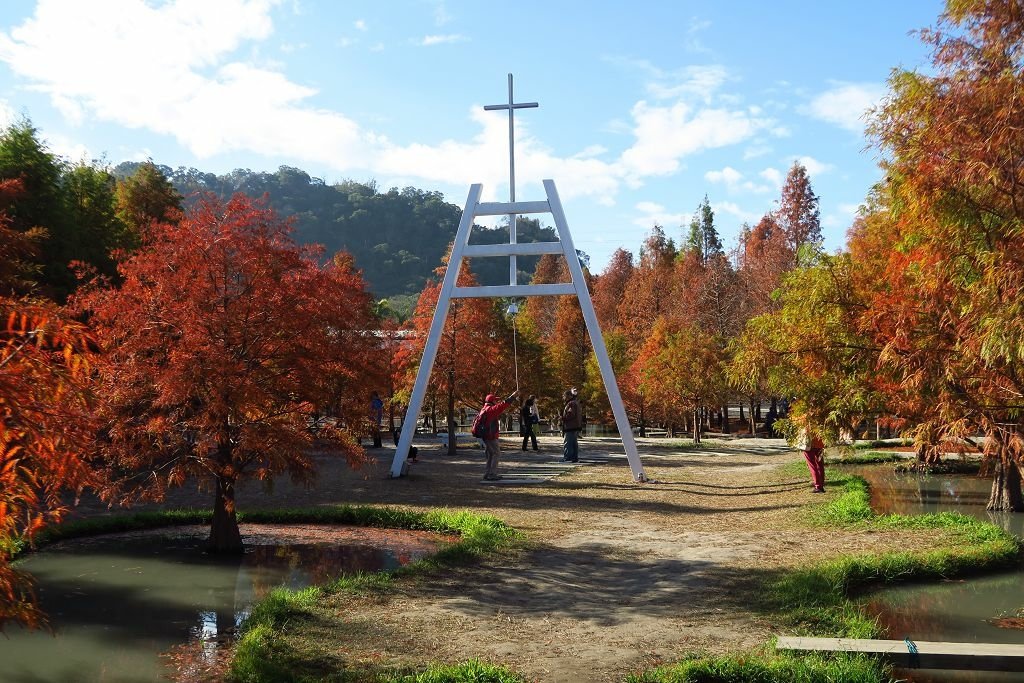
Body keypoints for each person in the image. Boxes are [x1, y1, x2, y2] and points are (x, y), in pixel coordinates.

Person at [476, 390, 518, 480]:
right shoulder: (491, 410)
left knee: (490, 454)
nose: (497, 402)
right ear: (492, 401)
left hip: (485, 435)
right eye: (495, 400)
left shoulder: (484, 409)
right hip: (491, 436)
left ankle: (488, 473)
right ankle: (492, 474)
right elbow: (502, 405)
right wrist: (513, 397)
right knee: (496, 453)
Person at [797, 426, 826, 493]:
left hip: (809, 444)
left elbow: (804, 430)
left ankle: (818, 486)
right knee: (820, 464)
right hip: (820, 443)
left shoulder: (805, 418)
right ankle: (821, 485)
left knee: (812, 465)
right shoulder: (822, 417)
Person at [561, 389, 582, 463]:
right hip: (575, 426)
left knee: (568, 442)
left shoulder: (571, 403)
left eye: (564, 396)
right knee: (573, 443)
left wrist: (563, 418)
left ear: (569, 396)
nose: (563, 397)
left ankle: (568, 457)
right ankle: (574, 457)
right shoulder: (576, 402)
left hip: (570, 426)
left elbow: (571, 414)